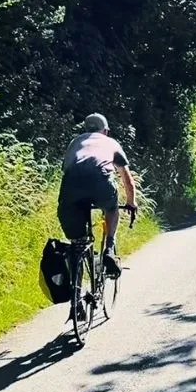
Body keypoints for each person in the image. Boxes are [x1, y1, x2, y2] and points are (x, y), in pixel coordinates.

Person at [58, 113, 137, 279]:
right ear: (106, 131)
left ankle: (76, 291)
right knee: (111, 209)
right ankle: (109, 248)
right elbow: (126, 178)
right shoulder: (111, 143)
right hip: (100, 180)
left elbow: (66, 169)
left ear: (86, 129)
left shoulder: (75, 142)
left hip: (71, 182)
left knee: (77, 241)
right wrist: (131, 202)